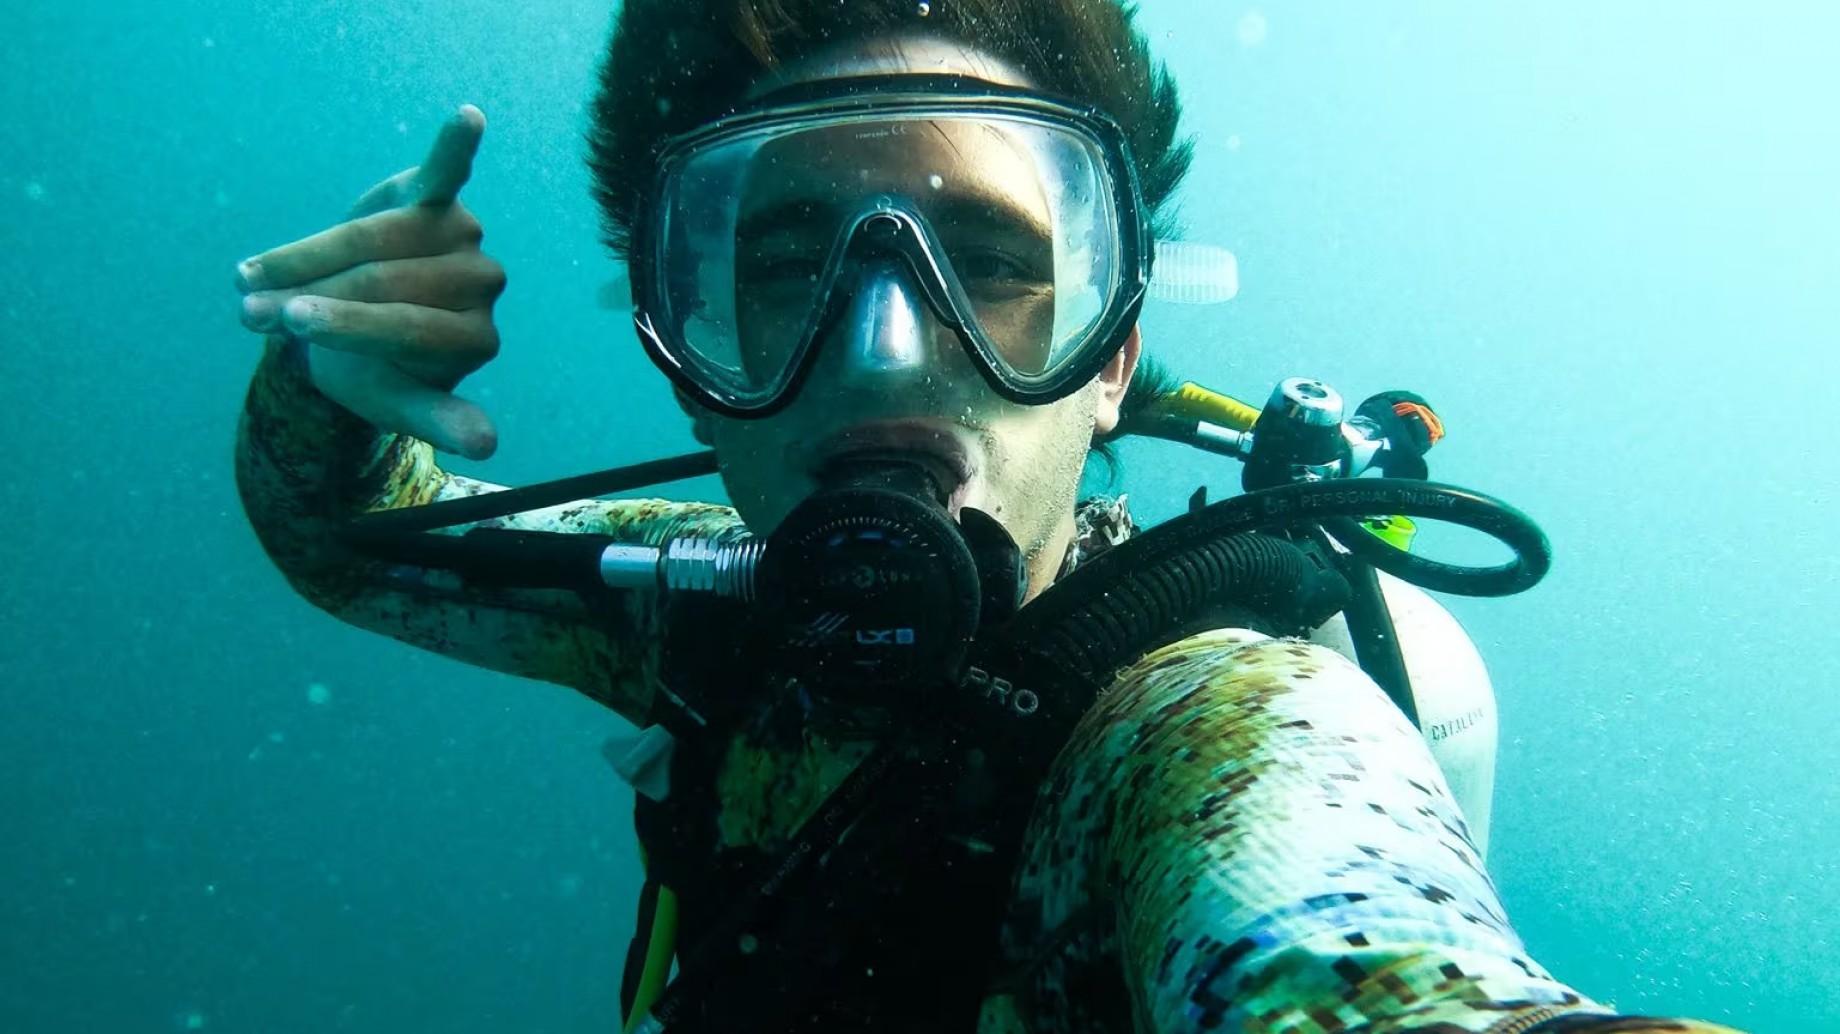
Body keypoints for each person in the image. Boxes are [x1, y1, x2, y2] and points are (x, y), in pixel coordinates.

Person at [231, 2, 1748, 1032]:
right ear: (692, 363)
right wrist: (330, 386)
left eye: (993, 258)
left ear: (1113, 363)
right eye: (780, 262)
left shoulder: (1209, 720)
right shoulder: (706, 601)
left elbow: (1367, 958)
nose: (888, 346)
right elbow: (351, 529)